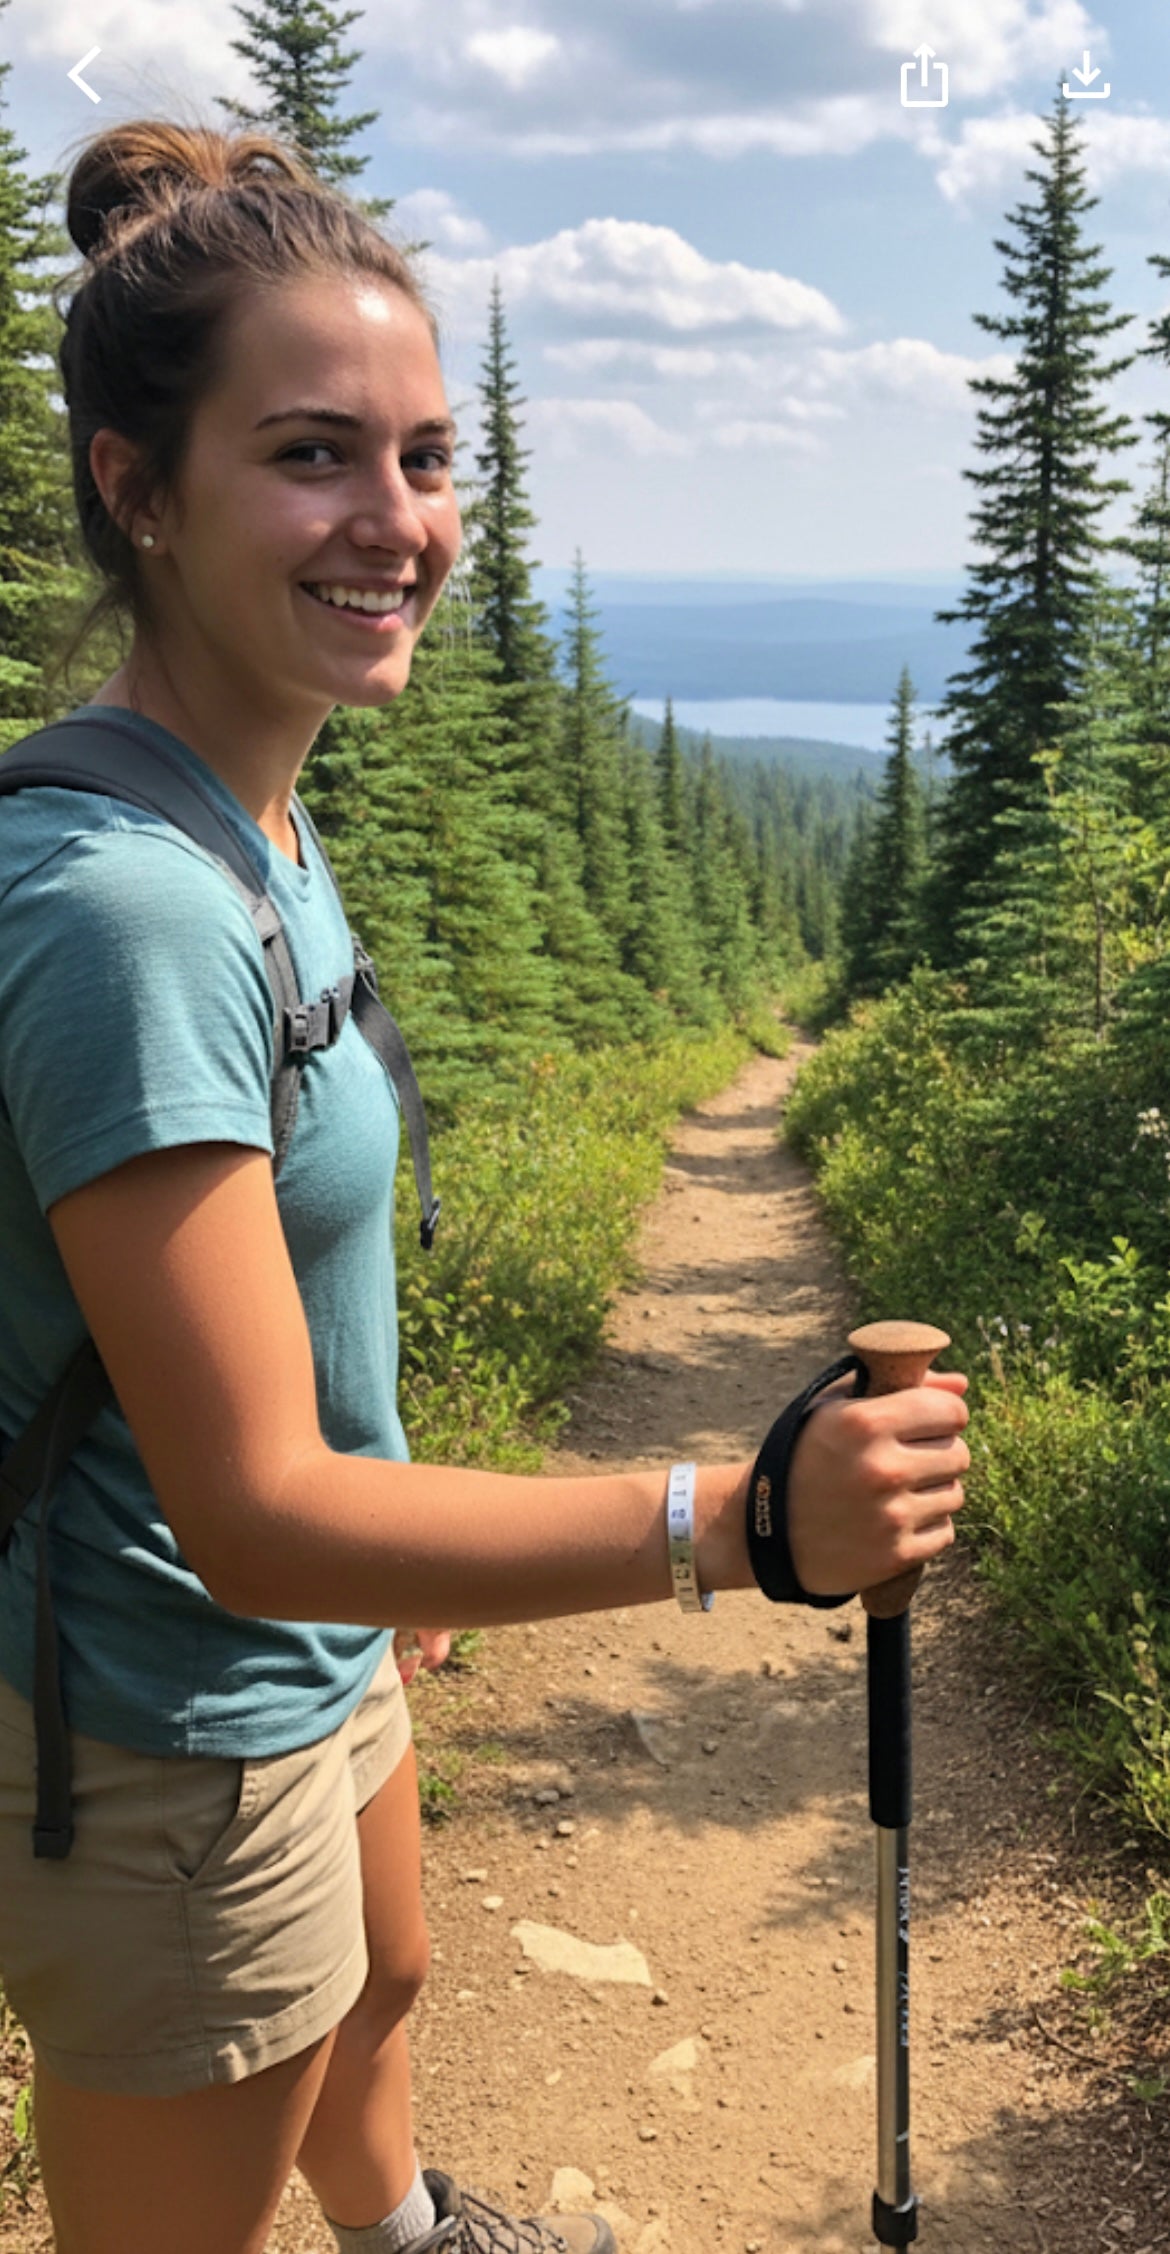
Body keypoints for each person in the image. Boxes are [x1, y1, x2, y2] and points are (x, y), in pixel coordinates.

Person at [0, 119, 970, 2254]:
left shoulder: (253, 803)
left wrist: (397, 1518)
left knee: (391, 1981)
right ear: (136, 488)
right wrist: (746, 1522)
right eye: (318, 456)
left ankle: (414, 2230)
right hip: (171, 1709)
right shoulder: (123, 911)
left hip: (308, 1635)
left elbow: (286, 1300)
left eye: (431, 456)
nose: (402, 521)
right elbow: (247, 1506)